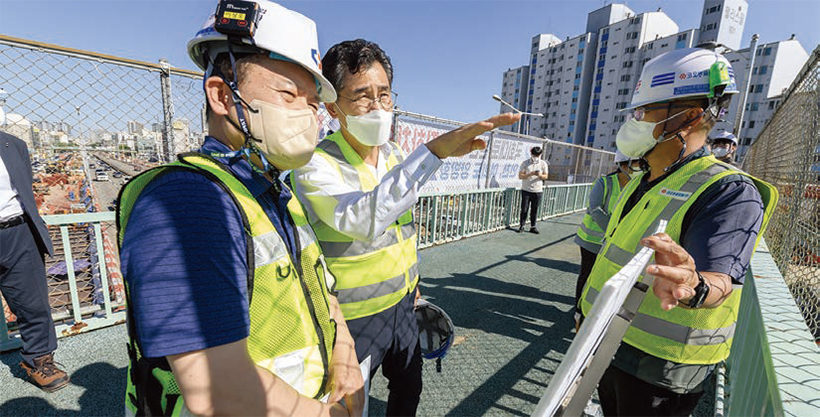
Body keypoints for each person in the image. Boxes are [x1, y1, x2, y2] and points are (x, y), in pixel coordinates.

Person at [117, 1, 364, 415]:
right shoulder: (189, 201)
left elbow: (322, 290)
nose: (307, 115)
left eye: (312, 103)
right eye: (288, 94)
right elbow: (215, 385)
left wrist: (345, 356)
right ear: (220, 95)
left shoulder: (274, 192)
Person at [291, 38, 518, 416]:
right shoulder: (316, 165)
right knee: (350, 407)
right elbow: (363, 218)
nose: (377, 107)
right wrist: (434, 153)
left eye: (384, 95)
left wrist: (414, 285)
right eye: (362, 96)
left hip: (402, 306)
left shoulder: (397, 155)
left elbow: (402, 234)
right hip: (349, 321)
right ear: (332, 106)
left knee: (409, 389)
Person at [578, 47, 778, 416]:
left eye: (642, 113)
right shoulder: (643, 179)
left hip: (661, 368)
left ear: (687, 116)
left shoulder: (728, 191)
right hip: (609, 342)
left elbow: (720, 280)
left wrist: (695, 284)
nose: (632, 121)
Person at [0, 131, 68, 392]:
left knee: (33, 304)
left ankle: (39, 361)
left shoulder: (13, 145)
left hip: (18, 231)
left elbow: (24, 188)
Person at [573, 150, 641, 327]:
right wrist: (615, 231)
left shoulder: (638, 185)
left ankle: (600, 312)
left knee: (608, 277)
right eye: (635, 163)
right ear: (623, 165)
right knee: (587, 275)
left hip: (618, 242)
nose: (639, 167)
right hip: (592, 240)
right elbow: (595, 210)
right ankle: (579, 311)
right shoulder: (605, 182)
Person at [517, 146, 549, 233]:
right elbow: (520, 176)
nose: (535, 157)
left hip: (538, 191)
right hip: (526, 190)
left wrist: (540, 175)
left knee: (534, 209)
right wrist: (530, 174)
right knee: (524, 209)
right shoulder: (525, 163)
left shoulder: (543, 164)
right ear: (531, 154)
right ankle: (522, 226)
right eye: (534, 155)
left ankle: (533, 226)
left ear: (540, 154)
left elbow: (546, 176)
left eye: (537, 155)